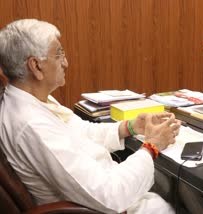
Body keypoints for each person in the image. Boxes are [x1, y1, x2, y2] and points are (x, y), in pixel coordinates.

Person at [0, 19, 181, 214]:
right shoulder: (31, 124)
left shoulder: (32, 100)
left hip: (103, 187)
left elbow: (79, 130)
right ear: (36, 66)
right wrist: (152, 146)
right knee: (174, 200)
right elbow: (111, 196)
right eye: (59, 54)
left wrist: (130, 127)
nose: (66, 63)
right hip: (101, 206)